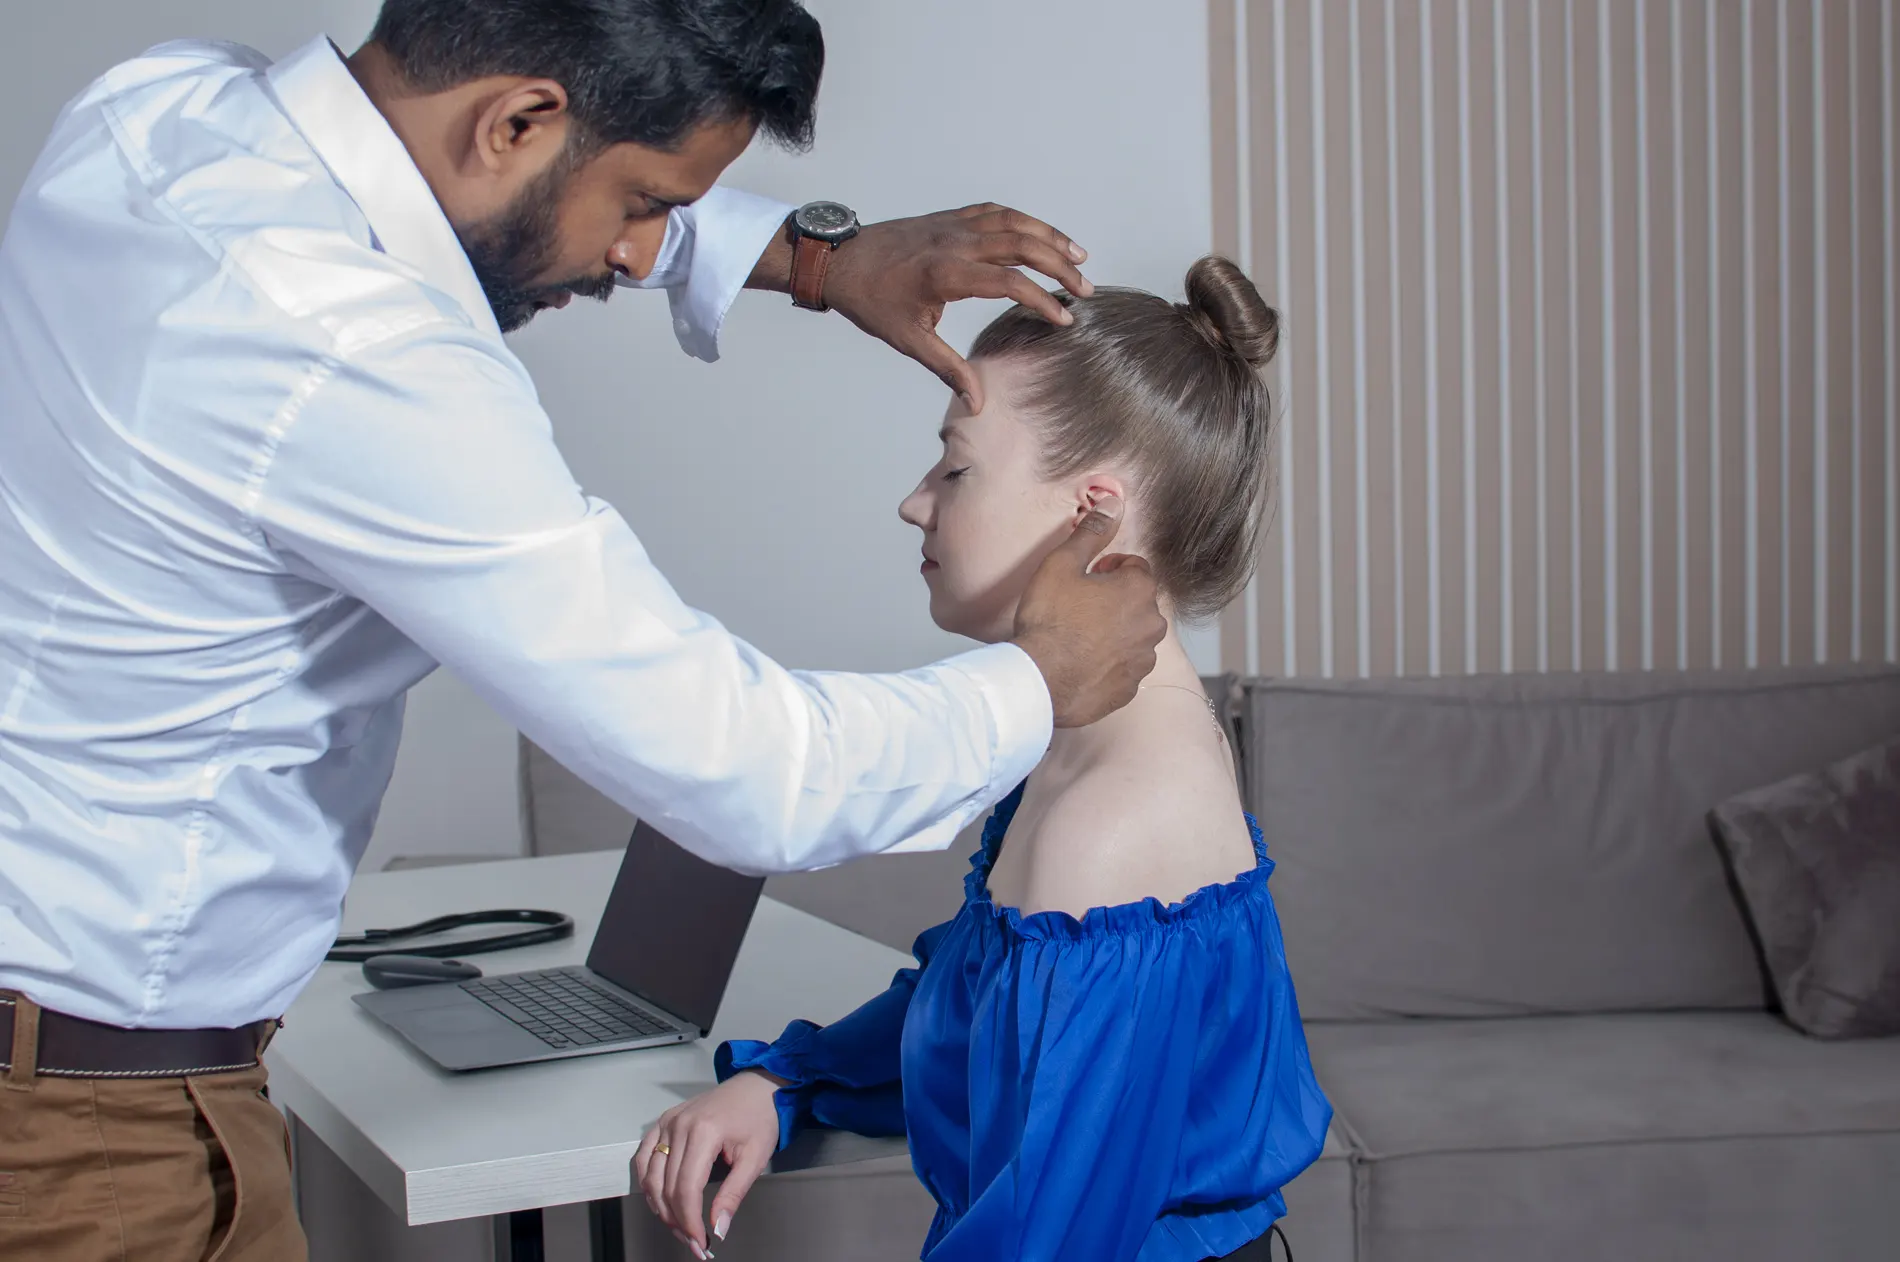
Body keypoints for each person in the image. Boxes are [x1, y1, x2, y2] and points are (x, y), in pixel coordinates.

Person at [0, 2, 1168, 1259]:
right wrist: (1038, 677)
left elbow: (488, 197)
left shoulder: (160, 110)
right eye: (643, 200)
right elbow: (755, 770)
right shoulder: (353, 354)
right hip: (82, 1129)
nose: (632, 252)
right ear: (515, 120)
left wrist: (810, 258)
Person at [633, 257, 1335, 1262]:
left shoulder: (1107, 828)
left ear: (1092, 513)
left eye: (954, 469)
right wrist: (786, 1080)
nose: (913, 504)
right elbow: (985, 1006)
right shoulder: (1089, 745)